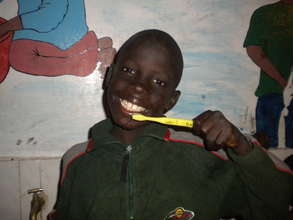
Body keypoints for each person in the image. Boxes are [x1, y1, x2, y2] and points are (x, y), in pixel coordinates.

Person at [53, 29, 293, 220]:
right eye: (128, 70)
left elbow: (276, 205)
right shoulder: (76, 162)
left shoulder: (205, 156)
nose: (139, 87)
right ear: (108, 76)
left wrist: (241, 146)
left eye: (158, 82)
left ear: (171, 101)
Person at [0, 0, 115, 82]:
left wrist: (6, 27)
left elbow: (50, 16)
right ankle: (90, 48)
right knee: (19, 56)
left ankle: (88, 51)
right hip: (37, 33)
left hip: (60, 34)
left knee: (18, 57)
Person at [243, 0, 293, 148]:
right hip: (272, 95)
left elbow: (254, 51)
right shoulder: (263, 14)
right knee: (268, 154)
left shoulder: (263, 13)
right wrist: (284, 83)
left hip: (272, 94)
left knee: (269, 156)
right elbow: (254, 51)